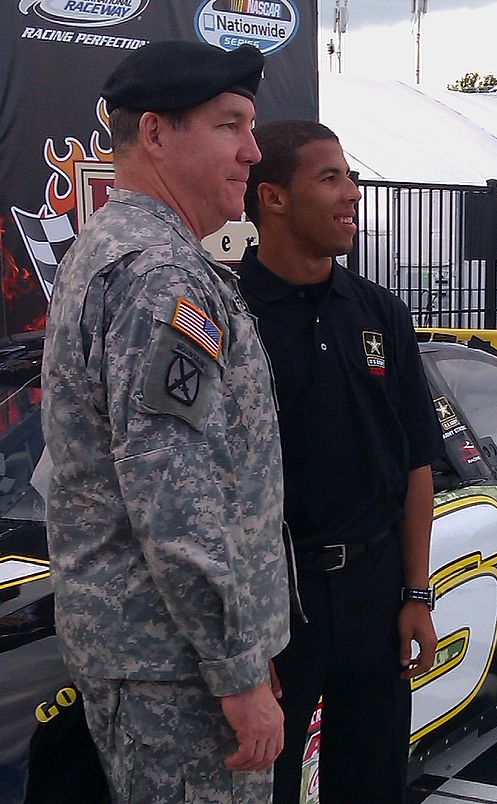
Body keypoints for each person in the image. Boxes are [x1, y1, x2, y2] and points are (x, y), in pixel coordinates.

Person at [41, 41, 290, 804]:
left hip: (165, 658)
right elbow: (173, 496)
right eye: (230, 126)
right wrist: (235, 668)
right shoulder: (159, 276)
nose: (253, 151)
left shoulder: (126, 252)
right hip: (175, 671)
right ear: (155, 134)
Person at [238, 120, 444, 804]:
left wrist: (416, 593)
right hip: (277, 599)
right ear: (272, 197)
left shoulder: (381, 313)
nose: (351, 193)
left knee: (371, 780)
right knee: (263, 784)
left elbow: (416, 458)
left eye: (350, 177)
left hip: (375, 590)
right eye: (330, 178)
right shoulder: (226, 314)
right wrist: (245, 635)